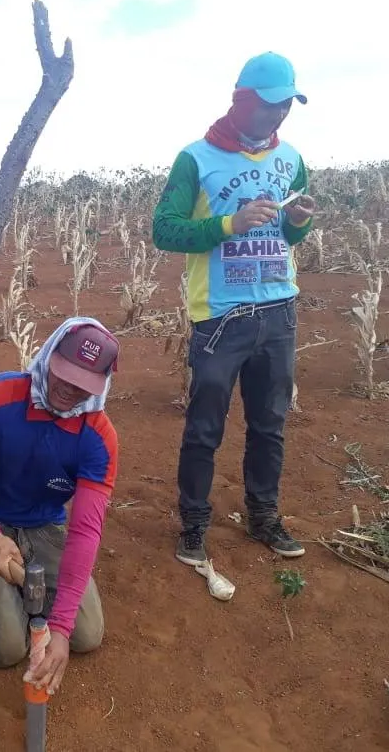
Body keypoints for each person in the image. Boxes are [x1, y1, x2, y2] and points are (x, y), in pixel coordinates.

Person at [151, 51, 316, 567]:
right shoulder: (196, 159)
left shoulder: (291, 158)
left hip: (279, 313)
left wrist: (299, 223)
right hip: (221, 318)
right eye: (271, 104)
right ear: (241, 101)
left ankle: (263, 517)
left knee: (270, 425)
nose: (280, 114)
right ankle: (194, 525)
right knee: (205, 427)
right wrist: (229, 224)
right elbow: (164, 230)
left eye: (287, 104)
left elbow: (290, 231)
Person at [0, 316, 119, 697]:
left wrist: (63, 631)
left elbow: (85, 530)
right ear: (49, 354)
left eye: (83, 384)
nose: (69, 390)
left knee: (86, 634)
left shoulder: (99, 437)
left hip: (44, 524)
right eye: (64, 373)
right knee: (5, 649)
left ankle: (21, 591)